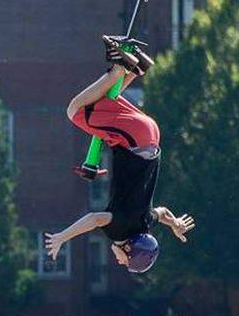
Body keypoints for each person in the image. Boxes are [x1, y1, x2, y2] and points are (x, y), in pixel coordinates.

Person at [44, 37, 194, 273]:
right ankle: (118, 68)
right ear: (128, 250)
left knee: (103, 102)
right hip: (133, 139)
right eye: (125, 262)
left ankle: (136, 68)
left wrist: (174, 223)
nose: (120, 262)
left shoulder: (144, 223)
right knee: (75, 111)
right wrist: (63, 237)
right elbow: (94, 219)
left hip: (149, 136)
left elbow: (162, 212)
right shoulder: (120, 230)